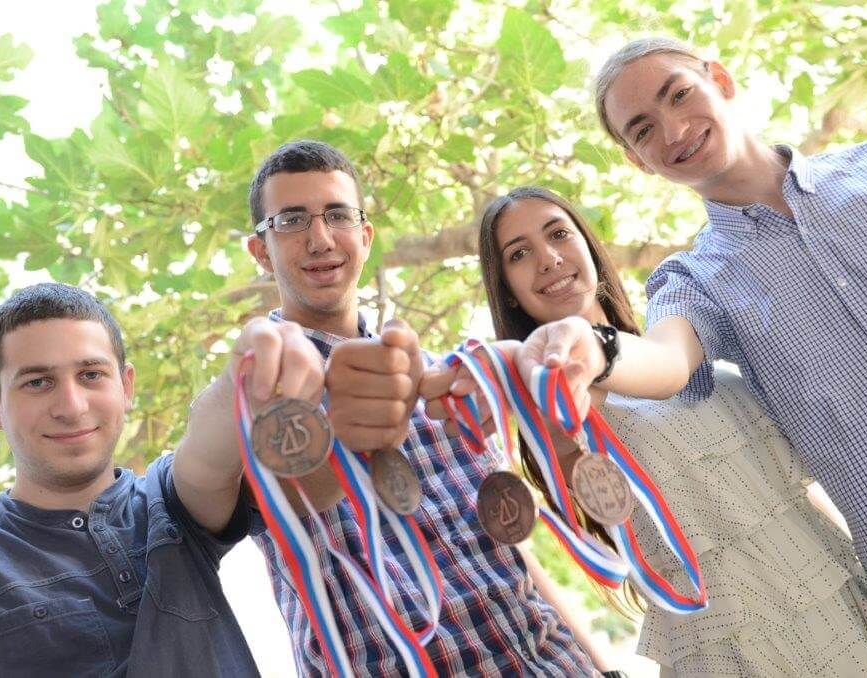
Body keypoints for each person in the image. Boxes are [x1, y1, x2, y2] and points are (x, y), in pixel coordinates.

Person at [551, 36, 867, 676]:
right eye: (643, 129)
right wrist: (593, 347)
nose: (675, 129)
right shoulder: (695, 281)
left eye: (678, 94)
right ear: (638, 162)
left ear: (721, 78)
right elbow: (665, 362)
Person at [174, 139, 613, 676]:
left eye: (337, 215)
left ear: (364, 236)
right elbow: (228, 497)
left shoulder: (443, 378)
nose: (320, 238)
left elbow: (513, 554)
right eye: (291, 220)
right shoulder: (247, 404)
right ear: (260, 251)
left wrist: (600, 665)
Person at [429, 185, 867, 676]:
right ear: (506, 285)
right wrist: (511, 366)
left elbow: (791, 493)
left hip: (833, 591)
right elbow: (545, 407)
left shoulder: (676, 333)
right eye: (520, 253)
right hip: (729, 642)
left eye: (559, 234)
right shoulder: (553, 400)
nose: (548, 259)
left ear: (587, 245)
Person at [0, 282, 309, 677]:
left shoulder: (168, 503)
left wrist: (241, 377)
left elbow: (206, 458)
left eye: (91, 374)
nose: (71, 406)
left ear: (126, 386)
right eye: (38, 382)